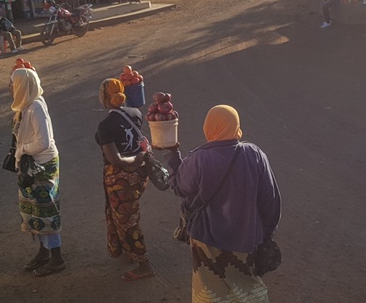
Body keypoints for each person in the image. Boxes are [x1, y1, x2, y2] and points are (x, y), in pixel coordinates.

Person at [160, 105, 281, 302]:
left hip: (207, 242)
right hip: (246, 240)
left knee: (211, 291)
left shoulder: (199, 159)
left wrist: (173, 155)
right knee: (248, 289)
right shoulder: (255, 155)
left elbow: (180, 187)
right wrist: (265, 235)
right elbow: (271, 202)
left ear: (209, 127)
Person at [95, 78, 155, 281]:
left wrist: (135, 158)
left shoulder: (105, 125)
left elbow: (116, 159)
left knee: (127, 221)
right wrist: (139, 159)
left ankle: (144, 264)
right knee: (122, 217)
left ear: (105, 97)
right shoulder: (135, 113)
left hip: (121, 181)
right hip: (139, 176)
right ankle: (127, 252)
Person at [10, 67, 66, 277]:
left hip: (42, 166)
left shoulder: (36, 107)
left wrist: (21, 150)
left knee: (46, 210)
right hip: (31, 166)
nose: (10, 88)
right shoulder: (26, 105)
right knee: (34, 211)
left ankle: (57, 258)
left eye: (13, 84)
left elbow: (44, 142)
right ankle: (44, 252)